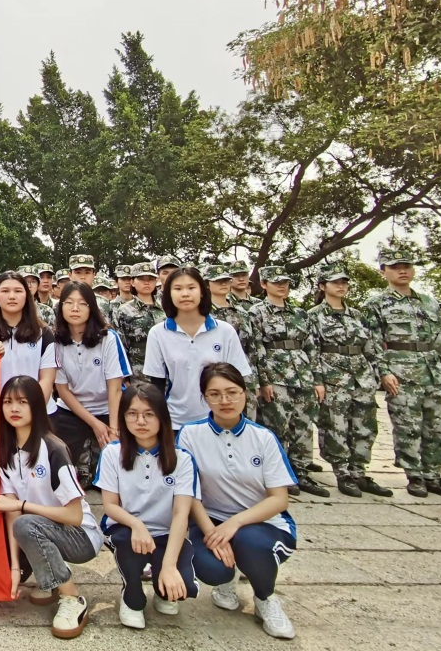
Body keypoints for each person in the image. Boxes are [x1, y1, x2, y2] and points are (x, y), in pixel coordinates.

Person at [178, 363, 299, 640]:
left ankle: (265, 598)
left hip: (261, 522)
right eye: (215, 394)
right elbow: (188, 492)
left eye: (232, 392)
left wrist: (234, 524)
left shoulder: (263, 438)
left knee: (249, 542)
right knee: (212, 569)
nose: (225, 400)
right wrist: (211, 532)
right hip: (210, 519)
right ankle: (226, 581)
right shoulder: (190, 434)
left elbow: (279, 500)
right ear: (204, 398)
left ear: (245, 394)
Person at [0, 375, 102, 639]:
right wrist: (14, 568)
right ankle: (51, 579)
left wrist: (22, 504)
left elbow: (74, 515)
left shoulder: (53, 449)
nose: (14, 408)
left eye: (23, 402)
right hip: (38, 529)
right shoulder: (4, 450)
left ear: (37, 407)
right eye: (8, 402)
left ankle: (73, 599)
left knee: (26, 523)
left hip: (81, 536)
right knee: (18, 528)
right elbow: (11, 514)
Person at [96, 383, 198, 629]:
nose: (140, 421)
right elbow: (110, 506)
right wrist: (136, 525)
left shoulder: (182, 458)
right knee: (128, 546)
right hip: (125, 528)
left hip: (165, 532)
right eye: (132, 414)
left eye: (149, 414)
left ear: (162, 417)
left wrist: (170, 567)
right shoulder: (112, 453)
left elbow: (181, 513)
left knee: (184, 587)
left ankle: (162, 587)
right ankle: (131, 596)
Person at [361, 249, 441, 498]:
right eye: (395, 267)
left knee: (437, 426)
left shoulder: (429, 302)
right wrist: (384, 372)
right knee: (408, 427)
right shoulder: (376, 304)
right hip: (401, 372)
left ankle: (433, 475)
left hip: (431, 371)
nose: (402, 271)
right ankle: (414, 476)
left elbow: (439, 338)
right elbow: (373, 342)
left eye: (406, 266)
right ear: (383, 272)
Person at [309, 262, 392, 498]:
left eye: (344, 282)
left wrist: (381, 372)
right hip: (333, 378)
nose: (341, 286)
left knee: (365, 427)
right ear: (322, 286)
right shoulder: (314, 316)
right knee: (335, 427)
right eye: (335, 282)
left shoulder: (357, 315)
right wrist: (318, 381)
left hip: (361, 379)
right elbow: (312, 351)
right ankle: (342, 473)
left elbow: (371, 348)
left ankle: (359, 472)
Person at [247, 266, 328, 497]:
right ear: (264, 285)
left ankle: (301, 471)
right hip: (276, 375)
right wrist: (263, 381)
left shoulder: (300, 313)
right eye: (276, 282)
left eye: (285, 282)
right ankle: (280, 474)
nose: (282, 286)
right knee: (277, 427)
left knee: (303, 426)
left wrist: (317, 379)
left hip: (303, 375)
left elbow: (311, 347)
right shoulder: (256, 312)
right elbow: (256, 348)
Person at [142, 267, 252, 430]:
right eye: (178, 289)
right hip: (176, 422)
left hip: (219, 420)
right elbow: (156, 383)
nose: (185, 294)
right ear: (168, 294)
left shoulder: (225, 331)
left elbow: (238, 379)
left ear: (202, 292)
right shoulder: (158, 333)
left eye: (191, 287)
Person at [50, 281, 129, 486]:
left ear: (91, 307)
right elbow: (62, 390)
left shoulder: (108, 338)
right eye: (69, 302)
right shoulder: (55, 341)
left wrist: (113, 430)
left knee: (119, 463)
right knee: (58, 466)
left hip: (108, 408)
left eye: (82, 303)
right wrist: (95, 424)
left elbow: (115, 388)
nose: (75, 308)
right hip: (71, 410)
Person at [0, 271, 58, 405]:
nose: (12, 296)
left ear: (27, 295)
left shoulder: (44, 333)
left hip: (39, 411)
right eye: (5, 291)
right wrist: (2, 410)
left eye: (18, 291)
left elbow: (47, 379)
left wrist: (30, 410)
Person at [206, 263, 263, 419]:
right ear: (207, 284)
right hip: (214, 374)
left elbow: (253, 348)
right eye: (217, 281)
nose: (223, 284)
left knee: (248, 419)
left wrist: (255, 381)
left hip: (244, 373)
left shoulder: (243, 312)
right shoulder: (203, 314)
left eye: (226, 280)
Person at [113, 264, 164, 376]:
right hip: (139, 373)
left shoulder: (165, 307)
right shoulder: (124, 311)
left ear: (156, 281)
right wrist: (125, 376)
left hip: (165, 370)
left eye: (150, 279)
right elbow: (121, 345)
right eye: (141, 279)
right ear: (132, 282)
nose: (146, 283)